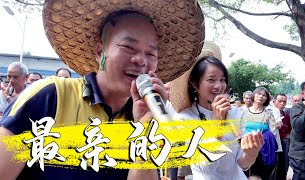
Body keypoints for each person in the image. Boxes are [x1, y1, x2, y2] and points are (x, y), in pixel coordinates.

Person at [0, 0, 205, 179]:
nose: (141, 60)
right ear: (100, 52)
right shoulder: (51, 96)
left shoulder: (144, 117)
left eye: (151, 54)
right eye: (128, 47)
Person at [168, 41, 264, 180]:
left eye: (222, 80)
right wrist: (217, 127)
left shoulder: (236, 113)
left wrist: (251, 153)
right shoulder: (185, 117)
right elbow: (205, 168)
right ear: (195, 84)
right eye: (211, 80)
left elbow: (242, 165)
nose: (219, 86)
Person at [241, 87, 281, 180]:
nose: (261, 96)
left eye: (264, 95)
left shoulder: (268, 114)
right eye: (259, 94)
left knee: (259, 175)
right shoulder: (242, 112)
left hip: (262, 150)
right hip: (244, 148)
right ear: (253, 95)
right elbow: (238, 130)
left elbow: (273, 132)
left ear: (267, 99)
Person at [274, 94, 291, 180]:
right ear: (274, 101)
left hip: (284, 142)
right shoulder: (269, 113)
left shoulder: (287, 116)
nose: (282, 103)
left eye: (284, 101)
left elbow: (289, 130)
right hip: (273, 143)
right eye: (279, 101)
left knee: (284, 164)